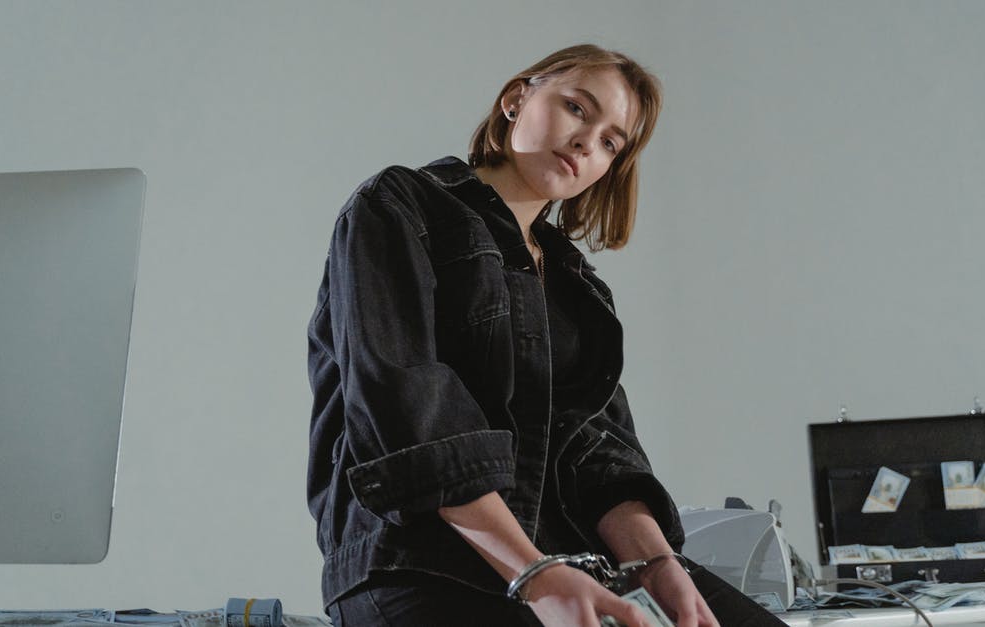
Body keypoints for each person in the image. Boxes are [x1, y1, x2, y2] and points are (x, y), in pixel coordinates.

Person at [307, 44, 785, 627]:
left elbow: (600, 450)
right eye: (578, 109)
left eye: (612, 141)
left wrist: (656, 566)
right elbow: (406, 407)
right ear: (515, 99)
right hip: (418, 562)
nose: (589, 142)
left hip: (568, 564)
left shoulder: (577, 285)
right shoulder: (400, 205)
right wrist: (533, 573)